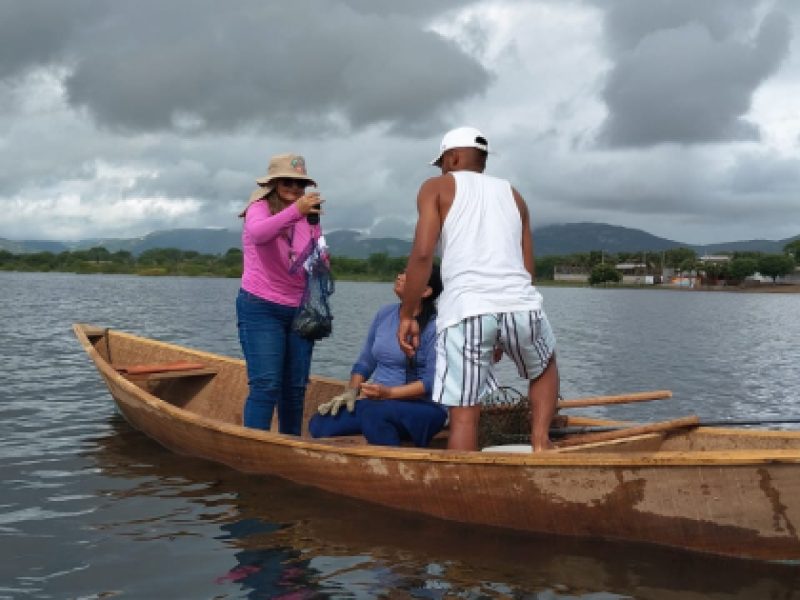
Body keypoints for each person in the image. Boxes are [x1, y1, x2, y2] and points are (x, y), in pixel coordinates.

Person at [397, 126, 559, 452]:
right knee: (544, 367)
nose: (442, 168)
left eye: (442, 161)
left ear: (453, 157)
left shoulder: (436, 187)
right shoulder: (514, 195)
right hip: (521, 305)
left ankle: (461, 482)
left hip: (466, 309)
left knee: (464, 414)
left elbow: (424, 254)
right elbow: (528, 269)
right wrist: (501, 332)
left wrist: (407, 314)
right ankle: (541, 442)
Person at [308, 267, 450, 447]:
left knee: (375, 416)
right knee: (320, 423)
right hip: (377, 403)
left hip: (423, 407)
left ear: (425, 291)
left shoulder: (435, 327)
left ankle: (394, 466)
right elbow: (365, 361)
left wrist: (389, 393)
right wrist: (351, 392)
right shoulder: (385, 314)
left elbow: (431, 382)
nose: (400, 276)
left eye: (409, 275)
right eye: (401, 272)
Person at [236, 153, 325, 434]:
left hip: (299, 309)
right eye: (287, 181)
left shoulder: (309, 216)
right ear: (274, 183)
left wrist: (321, 257)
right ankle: (253, 449)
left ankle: (290, 447)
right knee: (266, 385)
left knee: (295, 388)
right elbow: (260, 233)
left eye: (300, 184)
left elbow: (319, 254)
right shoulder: (259, 207)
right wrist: (296, 211)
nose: (294, 188)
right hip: (260, 306)